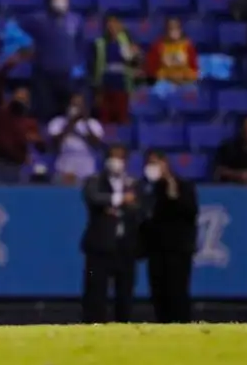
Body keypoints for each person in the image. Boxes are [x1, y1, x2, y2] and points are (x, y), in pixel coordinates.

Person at [81, 145, 143, 324]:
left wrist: (119, 207)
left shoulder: (132, 183)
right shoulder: (95, 181)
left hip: (125, 246)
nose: (116, 162)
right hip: (99, 247)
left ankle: (123, 328)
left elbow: (140, 206)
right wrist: (120, 200)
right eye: (113, 157)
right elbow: (93, 197)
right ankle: (92, 327)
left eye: (120, 157)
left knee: (125, 293)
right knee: (95, 293)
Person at [141, 151, 198, 324]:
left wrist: (173, 192)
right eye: (149, 163)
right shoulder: (148, 189)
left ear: (165, 163)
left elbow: (191, 212)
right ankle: (162, 325)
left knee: (178, 290)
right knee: (158, 291)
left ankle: (181, 325)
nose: (152, 167)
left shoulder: (183, 185)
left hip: (178, 249)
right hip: (156, 248)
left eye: (156, 162)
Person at [20, 0, 83, 122]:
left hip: (67, 76)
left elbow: (80, 47)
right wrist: (27, 47)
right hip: (44, 75)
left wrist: (78, 73)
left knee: (67, 114)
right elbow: (16, 30)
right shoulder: (37, 19)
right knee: (45, 114)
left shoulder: (76, 20)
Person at [0, 54, 41, 183]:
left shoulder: (28, 122)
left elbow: (39, 144)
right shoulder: (1, 111)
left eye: (24, 98)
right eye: (19, 96)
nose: (21, 99)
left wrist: (32, 141)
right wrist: (8, 66)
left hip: (16, 166)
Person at [91, 15, 139, 124]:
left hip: (122, 85)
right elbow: (95, 68)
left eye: (115, 24)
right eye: (109, 24)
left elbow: (135, 64)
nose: (112, 27)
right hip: (105, 86)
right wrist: (97, 90)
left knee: (122, 118)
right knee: (105, 119)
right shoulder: (99, 44)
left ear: (120, 26)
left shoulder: (127, 42)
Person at [48, 93, 104, 184]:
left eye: (79, 105)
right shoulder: (58, 122)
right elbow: (55, 142)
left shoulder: (92, 123)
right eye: (74, 104)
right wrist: (71, 122)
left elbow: (96, 142)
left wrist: (85, 122)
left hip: (86, 164)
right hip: (65, 162)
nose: (77, 108)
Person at [144, 18, 199, 87]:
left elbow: (195, 70)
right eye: (171, 29)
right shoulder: (158, 46)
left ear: (180, 30)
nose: (174, 31)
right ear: (166, 31)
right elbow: (152, 71)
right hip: (166, 81)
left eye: (177, 28)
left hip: (185, 80)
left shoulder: (188, 46)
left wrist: (183, 76)